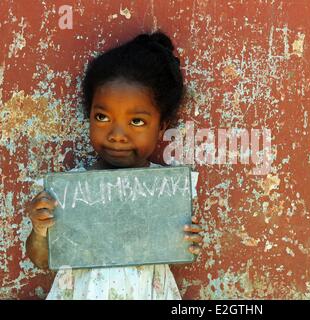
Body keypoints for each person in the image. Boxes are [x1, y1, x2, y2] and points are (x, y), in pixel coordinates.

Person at [25, 30, 203, 300]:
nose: (117, 134)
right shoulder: (67, 192)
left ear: (161, 128)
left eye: (137, 122)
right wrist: (39, 230)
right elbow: (41, 260)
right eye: (102, 116)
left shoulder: (167, 189)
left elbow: (179, 249)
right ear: (89, 116)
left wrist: (187, 240)